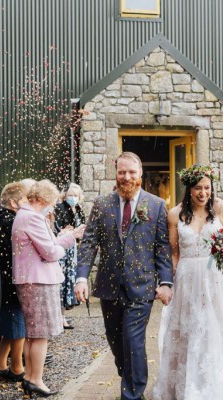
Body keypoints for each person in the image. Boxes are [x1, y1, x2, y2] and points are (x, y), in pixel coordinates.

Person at [153, 164, 223, 399]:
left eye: (207, 188)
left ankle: (221, 382)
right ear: (189, 189)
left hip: (216, 278)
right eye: (197, 188)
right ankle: (186, 383)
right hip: (186, 277)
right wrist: (169, 283)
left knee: (216, 327)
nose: (203, 193)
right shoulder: (174, 214)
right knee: (190, 328)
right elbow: (174, 253)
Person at [74, 152, 173, 400]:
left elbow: (162, 248)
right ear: (116, 174)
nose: (126, 177)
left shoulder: (156, 205)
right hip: (109, 285)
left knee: (133, 341)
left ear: (140, 174)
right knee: (116, 341)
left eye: (131, 172)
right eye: (121, 172)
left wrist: (166, 282)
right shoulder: (101, 204)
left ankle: (133, 394)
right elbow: (88, 244)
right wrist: (81, 278)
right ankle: (128, 373)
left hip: (141, 285)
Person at [12, 180, 85, 397]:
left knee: (33, 334)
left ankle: (30, 377)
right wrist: (71, 238)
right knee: (40, 334)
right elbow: (51, 252)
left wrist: (64, 237)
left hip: (31, 279)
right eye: (52, 202)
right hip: (39, 280)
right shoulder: (33, 217)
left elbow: (49, 243)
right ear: (43, 199)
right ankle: (35, 379)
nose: (53, 207)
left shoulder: (24, 215)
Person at [0, 182, 29, 383]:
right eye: (24, 200)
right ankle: (16, 367)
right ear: (13, 202)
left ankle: (0, 364)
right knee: (17, 323)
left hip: (5, 277)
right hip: (11, 279)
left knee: (11, 323)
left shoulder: (4, 218)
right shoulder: (10, 221)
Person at [54, 182, 86, 326]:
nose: (73, 198)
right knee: (61, 281)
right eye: (70, 195)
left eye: (75, 195)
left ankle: (63, 315)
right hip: (62, 248)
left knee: (69, 281)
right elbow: (58, 227)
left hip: (73, 248)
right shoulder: (60, 208)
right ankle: (59, 316)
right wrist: (66, 230)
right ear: (64, 196)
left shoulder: (79, 209)